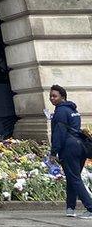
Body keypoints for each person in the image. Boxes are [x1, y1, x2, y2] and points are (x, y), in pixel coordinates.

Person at [49, 84, 92, 219]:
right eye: (50, 96)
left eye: (54, 96)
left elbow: (59, 133)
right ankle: (70, 207)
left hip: (69, 148)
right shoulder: (73, 110)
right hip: (80, 147)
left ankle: (90, 207)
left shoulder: (61, 112)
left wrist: (53, 152)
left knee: (74, 178)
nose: (52, 98)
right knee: (72, 177)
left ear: (63, 97)